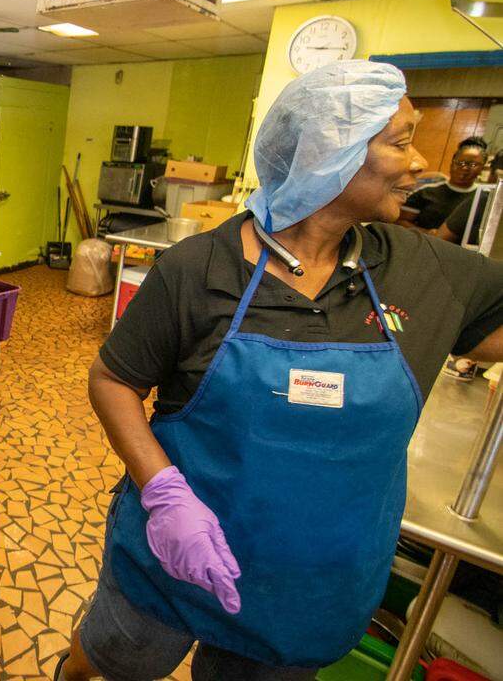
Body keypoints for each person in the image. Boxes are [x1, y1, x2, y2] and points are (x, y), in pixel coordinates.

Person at [53, 61, 503, 681]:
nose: (421, 161)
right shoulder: (196, 270)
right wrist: (162, 492)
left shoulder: (432, 275)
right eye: (400, 141)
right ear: (330, 154)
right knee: (108, 661)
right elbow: (113, 379)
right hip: (173, 556)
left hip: (310, 590)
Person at [397, 136, 489, 231]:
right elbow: (400, 221)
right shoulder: (426, 192)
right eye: (459, 162)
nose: (464, 168)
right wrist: (426, 233)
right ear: (452, 163)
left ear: (482, 168)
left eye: (472, 165)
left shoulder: (484, 199)